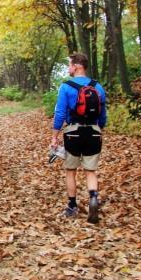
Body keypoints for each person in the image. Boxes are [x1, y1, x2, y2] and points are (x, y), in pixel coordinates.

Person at [51, 53, 107, 223]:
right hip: (93, 132)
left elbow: (60, 113)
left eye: (70, 65)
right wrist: (98, 129)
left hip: (73, 132)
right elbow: (103, 116)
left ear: (76, 66)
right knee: (91, 170)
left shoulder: (66, 87)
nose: (68, 68)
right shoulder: (98, 87)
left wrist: (54, 136)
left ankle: (72, 205)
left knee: (71, 170)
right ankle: (93, 198)